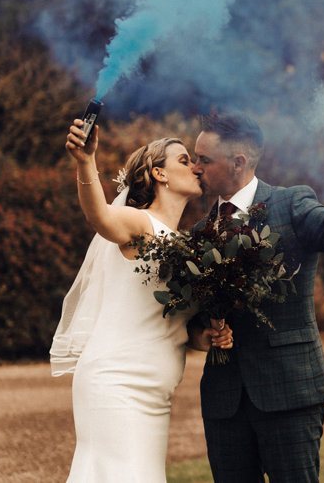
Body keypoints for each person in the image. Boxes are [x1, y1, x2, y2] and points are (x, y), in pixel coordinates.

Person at [191, 112, 324, 482]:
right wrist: (207, 329)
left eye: (204, 159)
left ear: (238, 162)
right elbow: (194, 312)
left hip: (290, 393)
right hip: (224, 402)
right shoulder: (199, 233)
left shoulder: (291, 205)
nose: (195, 168)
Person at [51, 119, 233, 483]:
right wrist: (86, 161)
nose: (195, 166)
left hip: (156, 395)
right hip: (116, 383)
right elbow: (99, 216)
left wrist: (209, 337)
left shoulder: (189, 245)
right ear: (159, 174)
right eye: (184, 160)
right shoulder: (139, 224)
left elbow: (177, 326)